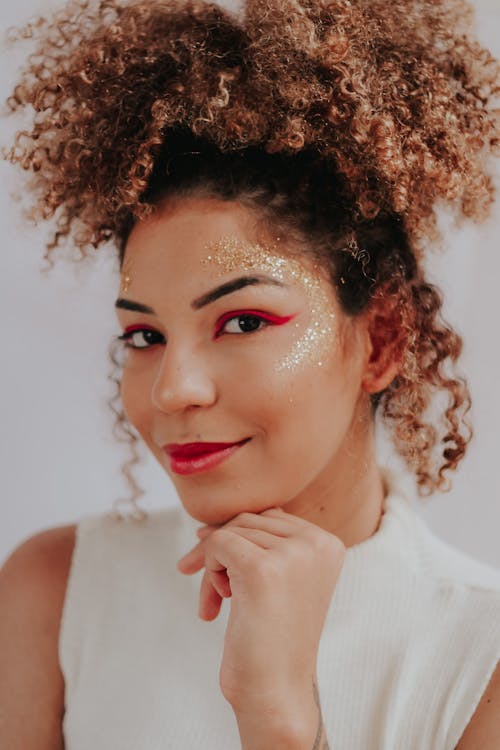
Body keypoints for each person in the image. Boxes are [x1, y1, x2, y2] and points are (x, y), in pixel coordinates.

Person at [1, 0, 500, 747]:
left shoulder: (479, 655)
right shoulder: (55, 592)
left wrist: (279, 715)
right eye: (144, 334)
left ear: (383, 339)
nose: (173, 389)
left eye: (242, 322)